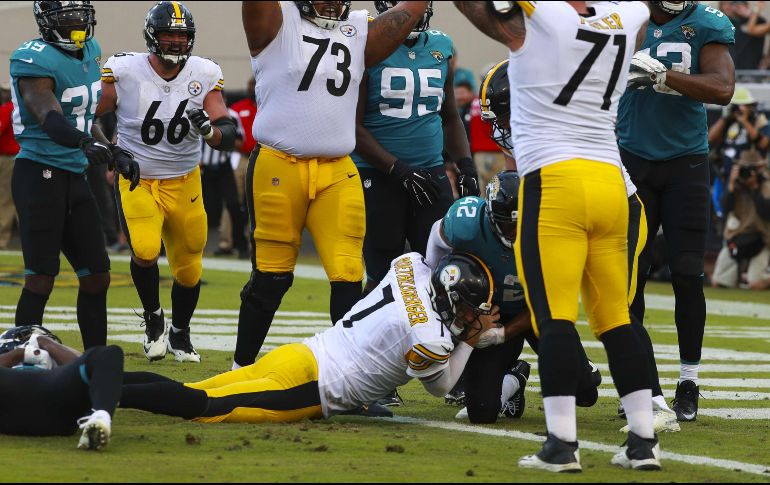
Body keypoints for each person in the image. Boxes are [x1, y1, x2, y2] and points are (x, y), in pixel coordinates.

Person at [457, 0, 658, 472]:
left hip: (555, 181)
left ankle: (562, 444)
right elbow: (640, 16)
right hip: (612, 182)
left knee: (555, 318)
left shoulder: (540, 17)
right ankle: (644, 441)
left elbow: (479, 10)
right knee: (616, 318)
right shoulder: (626, 16)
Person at [234, 0, 430, 370]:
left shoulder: (357, 29)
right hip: (279, 164)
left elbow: (404, 15)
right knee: (272, 279)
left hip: (338, 168)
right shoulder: (278, 20)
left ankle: (350, 375)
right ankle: (241, 367)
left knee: (348, 276)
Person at [120, 252, 499, 423]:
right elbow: (441, 385)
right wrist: (470, 339)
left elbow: (432, 245)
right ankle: (108, 391)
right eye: (468, 309)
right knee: (203, 405)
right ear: (451, 298)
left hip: (301, 353)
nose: (470, 316)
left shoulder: (411, 266)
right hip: (314, 387)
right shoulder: (431, 337)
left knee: (196, 388)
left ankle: (108, 382)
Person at [97, 1, 238, 363]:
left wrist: (209, 131)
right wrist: (111, 150)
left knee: (189, 267)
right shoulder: (124, 68)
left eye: (181, 35)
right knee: (144, 250)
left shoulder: (204, 72)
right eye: (168, 34)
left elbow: (226, 126)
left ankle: (180, 333)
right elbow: (92, 114)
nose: (176, 42)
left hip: (185, 180)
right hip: (137, 177)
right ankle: (153, 320)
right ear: (151, 36)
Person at [617, 0, 736, 423]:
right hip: (632, 159)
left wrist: (667, 77)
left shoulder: (705, 22)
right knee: (631, 276)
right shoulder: (629, 17)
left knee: (688, 273)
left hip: (686, 161)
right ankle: (637, 382)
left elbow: (724, 89)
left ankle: (689, 379)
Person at [9, 0, 139, 349]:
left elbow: (85, 117)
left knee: (97, 276)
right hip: (38, 173)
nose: (76, 21)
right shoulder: (32, 58)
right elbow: (50, 119)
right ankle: (19, 364)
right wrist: (84, 144)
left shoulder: (91, 50)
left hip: (74, 175)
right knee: (40, 279)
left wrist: (111, 151)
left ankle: (94, 361)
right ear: (46, 21)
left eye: (80, 14)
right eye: (66, 16)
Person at [353, 0, 477, 296]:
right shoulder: (365, 43)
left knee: (443, 268)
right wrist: (398, 169)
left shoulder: (440, 45)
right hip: (378, 173)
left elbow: (449, 116)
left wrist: (466, 166)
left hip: (429, 171)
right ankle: (367, 339)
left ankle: (432, 340)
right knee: (382, 270)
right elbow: (352, 127)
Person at [0, 325, 124, 451]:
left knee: (110, 352)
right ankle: (101, 417)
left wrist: (46, 343)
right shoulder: (10, 357)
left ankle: (100, 419)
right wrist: (19, 354)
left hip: (52, 402)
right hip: (54, 413)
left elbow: (85, 369)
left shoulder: (94, 379)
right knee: (109, 353)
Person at [712, 150, 770, 290]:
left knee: (755, 284)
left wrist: (755, 188)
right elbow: (724, 208)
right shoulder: (735, 183)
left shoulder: (766, 185)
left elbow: (766, 212)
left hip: (761, 239)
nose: (748, 172)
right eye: (745, 168)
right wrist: (731, 185)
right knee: (719, 283)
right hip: (736, 237)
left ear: (758, 169)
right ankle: (739, 276)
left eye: (751, 169)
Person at [200, 107, 248, 260]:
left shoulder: (231, 115)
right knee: (195, 209)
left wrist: (222, 138)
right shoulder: (194, 111)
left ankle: (241, 245)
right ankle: (183, 248)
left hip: (223, 166)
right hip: (201, 167)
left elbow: (240, 141)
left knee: (234, 205)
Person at [218, 78, 257, 257]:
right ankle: (227, 242)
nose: (252, 89)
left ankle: (255, 245)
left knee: (258, 204)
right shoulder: (238, 108)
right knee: (233, 201)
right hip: (240, 158)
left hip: (265, 157)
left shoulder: (271, 106)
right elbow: (231, 135)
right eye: (250, 85)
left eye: (255, 85)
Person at [0, 82, 19, 250]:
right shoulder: (25, 107)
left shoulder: (7, 109)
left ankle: (2, 240)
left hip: (8, 158)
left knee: (5, 199)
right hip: (21, 157)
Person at [722, 0, 768, 69]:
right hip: (734, 68)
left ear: (746, 6)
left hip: (753, 68)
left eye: (740, 6)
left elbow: (750, 29)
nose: (737, 8)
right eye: (735, 6)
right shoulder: (731, 22)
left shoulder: (759, 21)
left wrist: (755, 11)